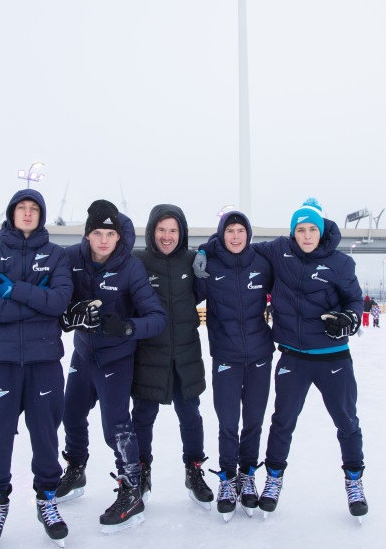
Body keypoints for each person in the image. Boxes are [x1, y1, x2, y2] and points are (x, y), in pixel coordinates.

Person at [252, 198, 368, 518]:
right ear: (293, 232)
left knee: (347, 422)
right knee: (282, 422)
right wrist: (206, 250)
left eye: (312, 229)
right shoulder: (280, 251)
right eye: (300, 230)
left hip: (334, 358)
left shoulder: (341, 263)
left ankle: (354, 481)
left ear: (321, 231)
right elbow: (240, 246)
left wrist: (348, 319)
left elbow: (355, 301)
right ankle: (273, 479)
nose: (306, 235)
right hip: (293, 358)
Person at [57, 199, 167, 533]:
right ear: (87, 235)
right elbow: (56, 300)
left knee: (115, 426)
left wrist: (127, 327)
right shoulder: (70, 259)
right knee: (71, 413)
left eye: (110, 234)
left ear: (118, 237)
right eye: (97, 233)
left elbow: (157, 318)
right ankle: (76, 469)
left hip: (116, 358)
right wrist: (70, 314)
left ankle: (132, 488)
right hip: (83, 353)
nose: (104, 240)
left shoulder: (130, 267)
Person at [0, 189, 73, 549]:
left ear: (41, 215)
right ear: (12, 213)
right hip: (1, 361)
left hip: (44, 360)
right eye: (22, 208)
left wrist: (13, 289)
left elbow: (59, 302)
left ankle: (47, 498)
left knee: (45, 434)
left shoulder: (56, 255)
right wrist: (36, 299)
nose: (28, 213)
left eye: (34, 209)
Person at [130, 204, 214, 510]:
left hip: (185, 354)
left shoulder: (191, 260)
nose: (167, 236)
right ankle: (140, 472)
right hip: (149, 355)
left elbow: (227, 249)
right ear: (152, 231)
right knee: (142, 417)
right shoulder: (137, 261)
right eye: (162, 230)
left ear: (182, 233)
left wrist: (206, 250)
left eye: (173, 230)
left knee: (191, 416)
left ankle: (194, 470)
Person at [193, 210, 274, 521]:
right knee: (228, 422)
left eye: (241, 231)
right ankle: (227, 477)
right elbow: (186, 298)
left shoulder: (262, 263)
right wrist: (203, 250)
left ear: (248, 234)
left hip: (260, 354)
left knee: (254, 421)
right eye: (230, 231)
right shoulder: (210, 266)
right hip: (226, 355)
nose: (236, 236)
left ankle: (247, 474)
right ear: (221, 235)